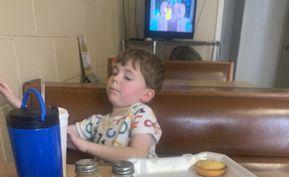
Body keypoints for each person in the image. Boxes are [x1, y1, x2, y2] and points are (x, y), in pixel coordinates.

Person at [0, 48, 165, 162]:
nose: (115, 78)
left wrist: (86, 146)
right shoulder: (97, 122)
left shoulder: (142, 113)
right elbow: (55, 130)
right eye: (115, 72)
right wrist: (17, 104)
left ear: (146, 94)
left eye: (127, 77)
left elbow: (138, 155)